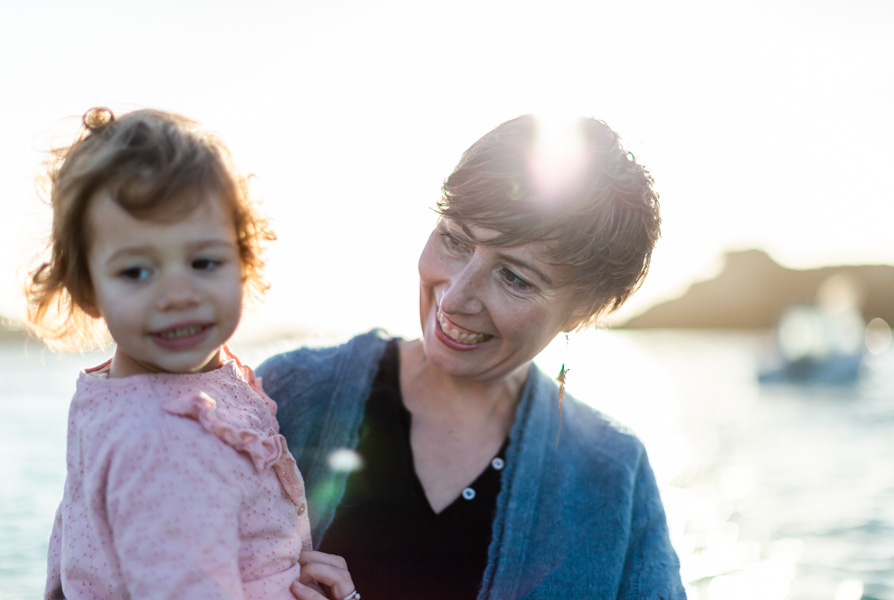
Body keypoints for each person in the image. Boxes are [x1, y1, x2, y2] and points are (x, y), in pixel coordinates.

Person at [257, 114, 686, 598]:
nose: (456, 296)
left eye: (514, 277)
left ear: (582, 310)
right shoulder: (283, 395)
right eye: (455, 240)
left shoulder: (611, 476)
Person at [27, 107, 358, 600]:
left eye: (204, 261)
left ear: (242, 263)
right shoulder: (167, 445)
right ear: (86, 289)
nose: (178, 294)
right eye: (138, 271)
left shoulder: (118, 395)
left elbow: (74, 551)